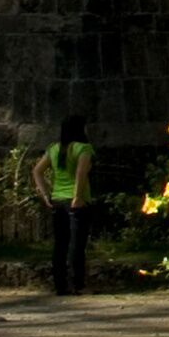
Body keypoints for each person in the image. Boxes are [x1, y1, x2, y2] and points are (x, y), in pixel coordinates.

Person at [29, 113, 97, 295]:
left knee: (60, 244)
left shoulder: (54, 149)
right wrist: (77, 197)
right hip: (76, 201)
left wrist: (46, 194)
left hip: (57, 200)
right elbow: (81, 173)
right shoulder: (83, 148)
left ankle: (60, 284)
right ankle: (77, 284)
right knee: (77, 244)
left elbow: (37, 171)